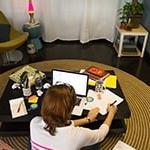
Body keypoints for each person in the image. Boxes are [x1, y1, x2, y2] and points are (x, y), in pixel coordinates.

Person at [30, 84, 117, 150]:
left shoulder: (34, 123)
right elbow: (101, 134)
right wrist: (111, 113)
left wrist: (88, 119)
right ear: (71, 109)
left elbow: (61, 124)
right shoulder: (77, 135)